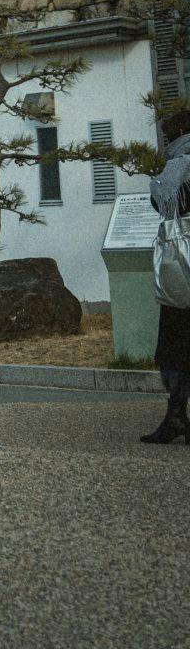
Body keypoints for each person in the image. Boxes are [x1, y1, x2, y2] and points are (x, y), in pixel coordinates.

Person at [143, 105, 190, 446]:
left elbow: (161, 202)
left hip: (184, 267)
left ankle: (175, 417)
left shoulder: (178, 163)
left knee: (175, 344)